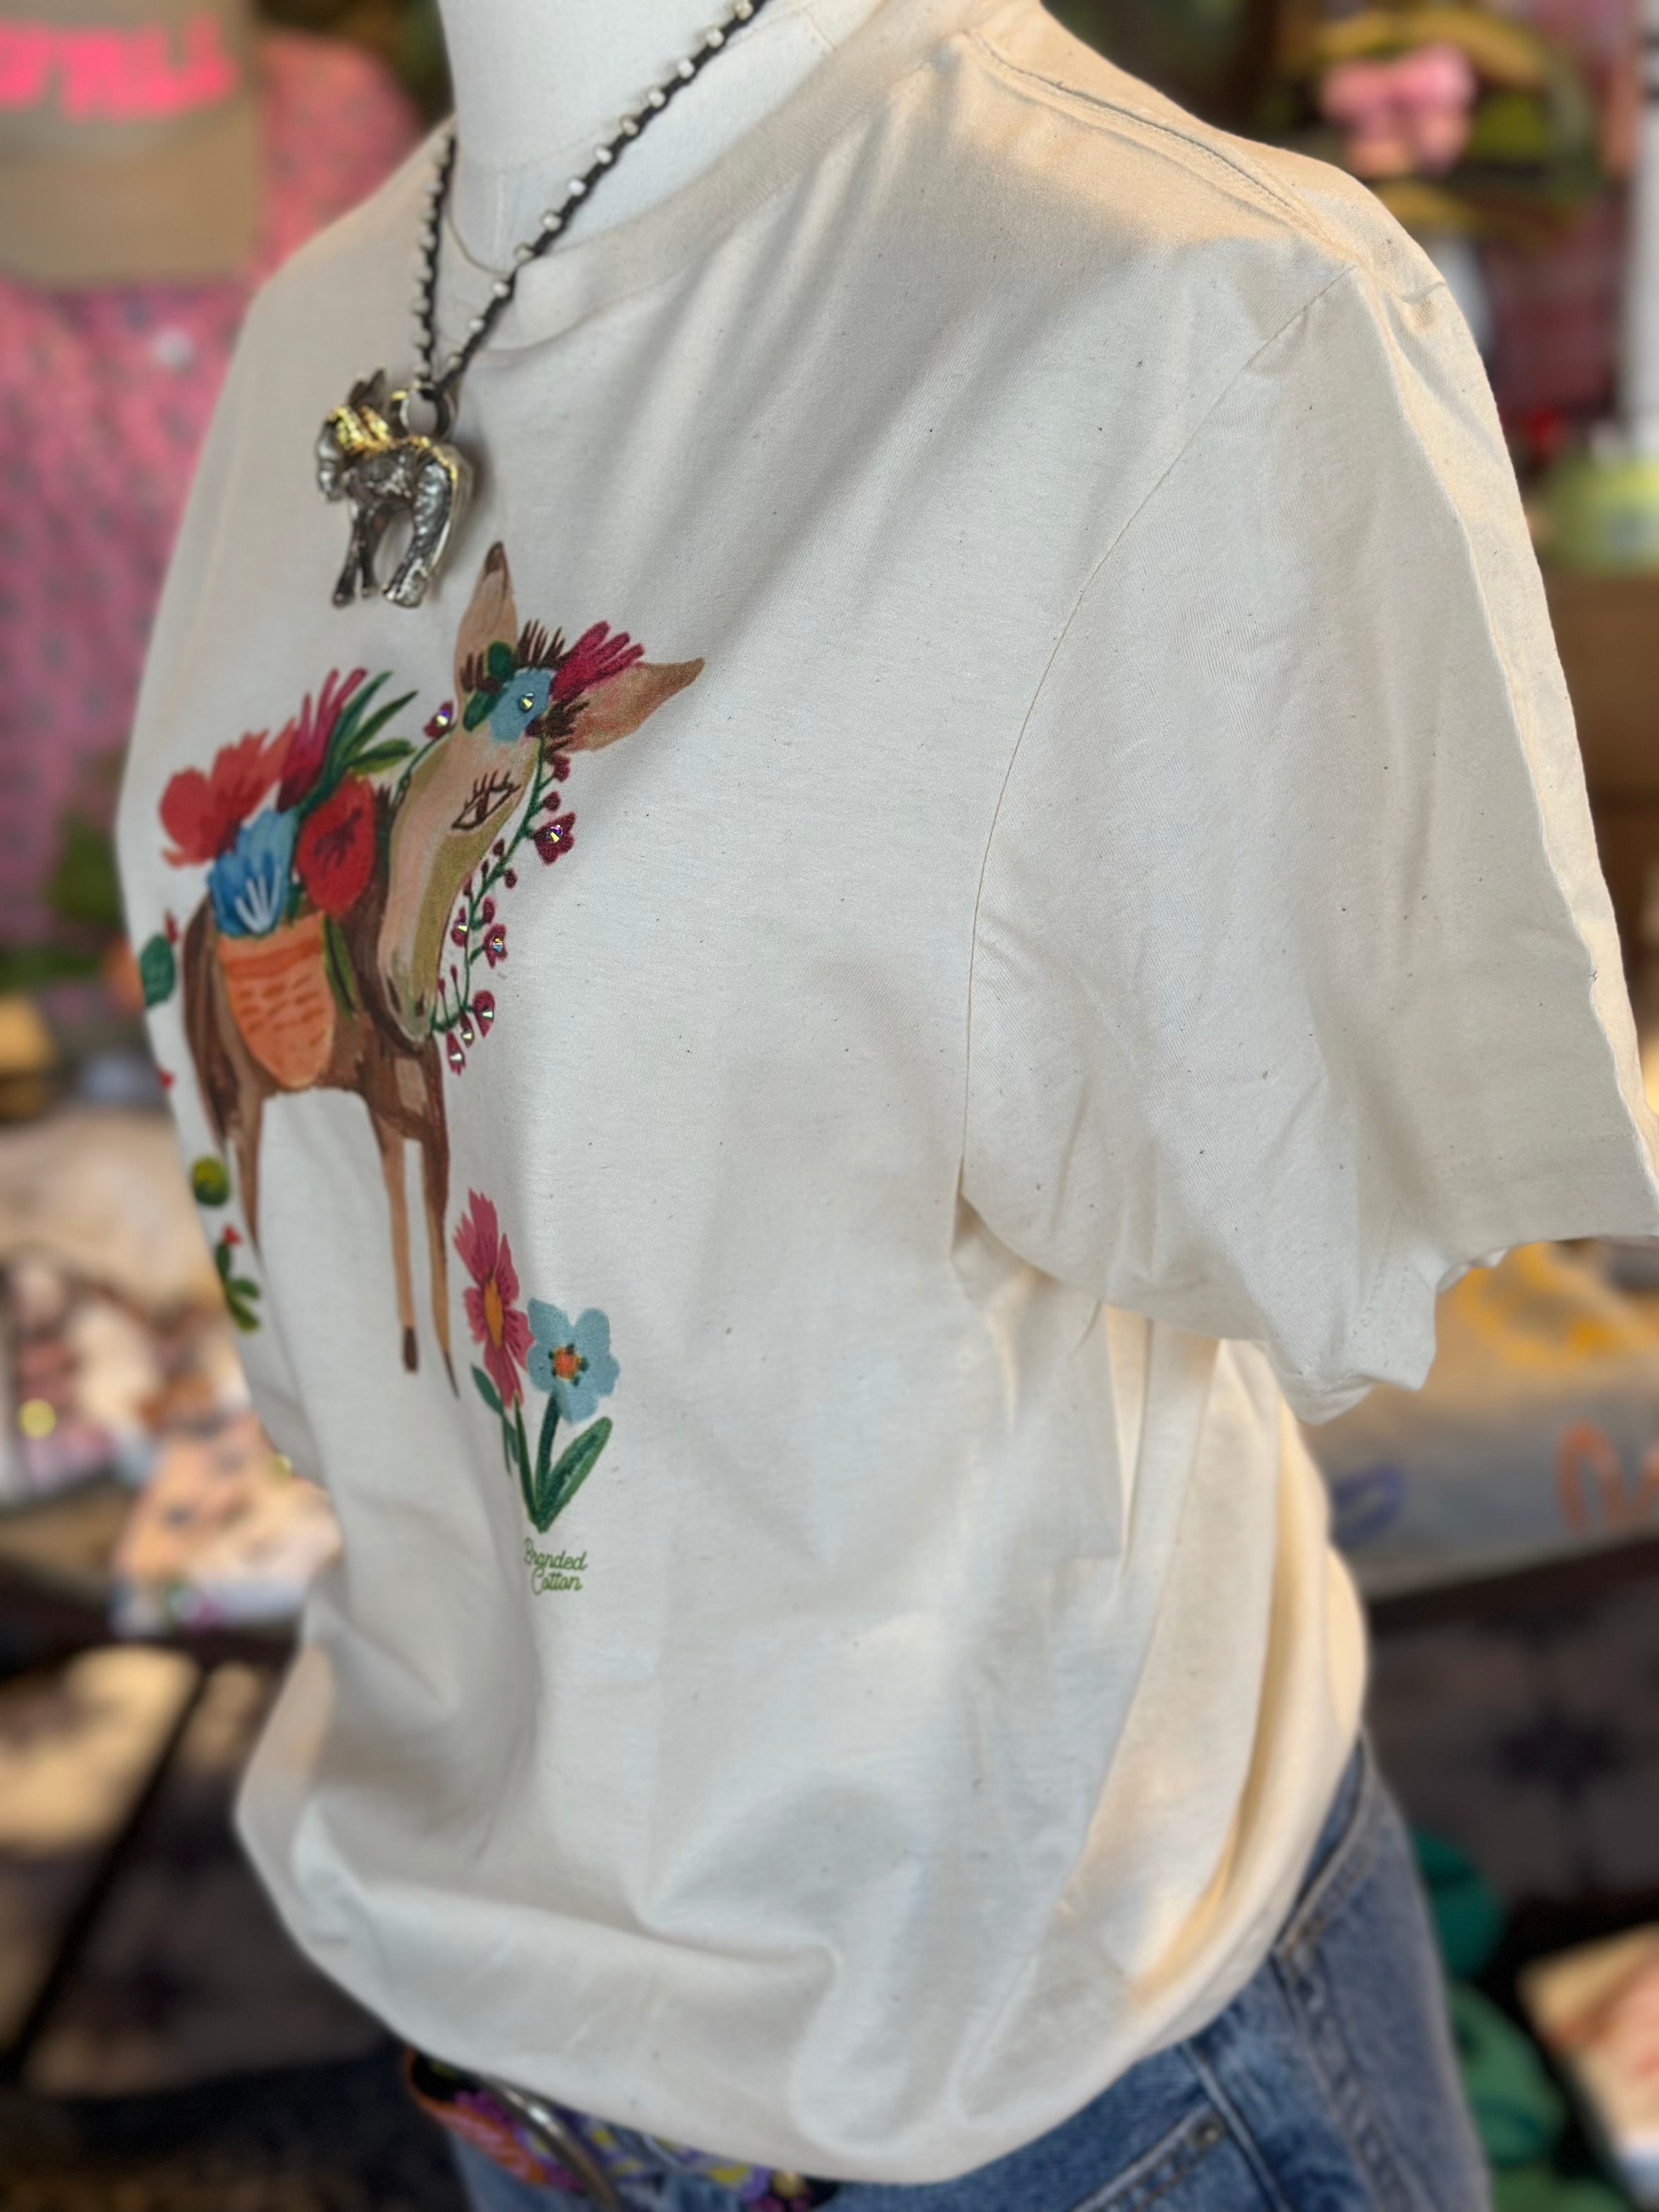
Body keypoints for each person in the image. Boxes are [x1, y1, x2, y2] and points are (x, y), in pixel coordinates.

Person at [116, 1, 1659, 2205]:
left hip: (1042, 2080)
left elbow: (1316, 1204)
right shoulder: (323, 325)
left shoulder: (1176, 316)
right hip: (495, 2046)